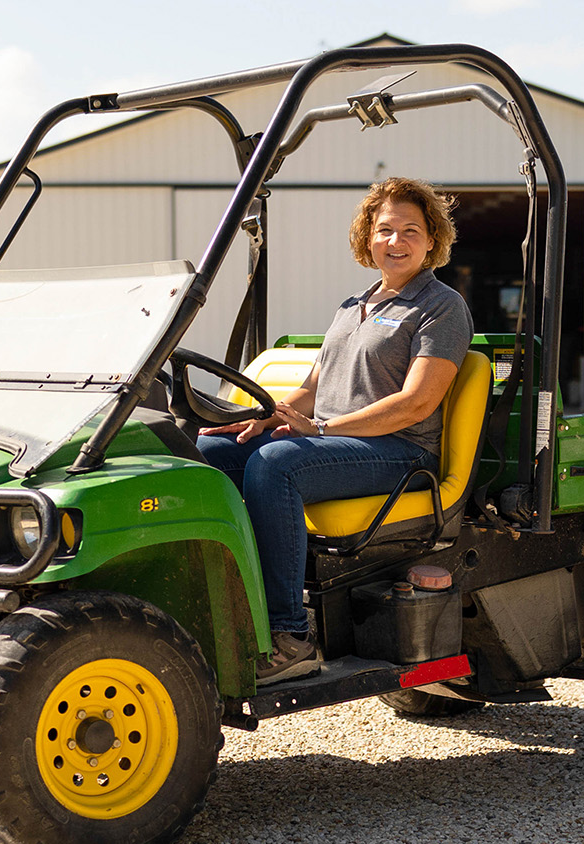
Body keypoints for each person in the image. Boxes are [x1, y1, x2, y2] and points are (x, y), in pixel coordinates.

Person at [197, 177, 474, 685]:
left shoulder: (440, 306)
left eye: (411, 230)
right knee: (209, 450)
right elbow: (312, 387)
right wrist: (271, 415)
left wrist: (321, 429)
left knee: (276, 464)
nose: (397, 241)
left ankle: (291, 636)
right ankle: (225, 611)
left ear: (432, 239)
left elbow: (417, 403)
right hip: (338, 444)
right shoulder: (353, 306)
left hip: (399, 453)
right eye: (385, 229)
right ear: (367, 237)